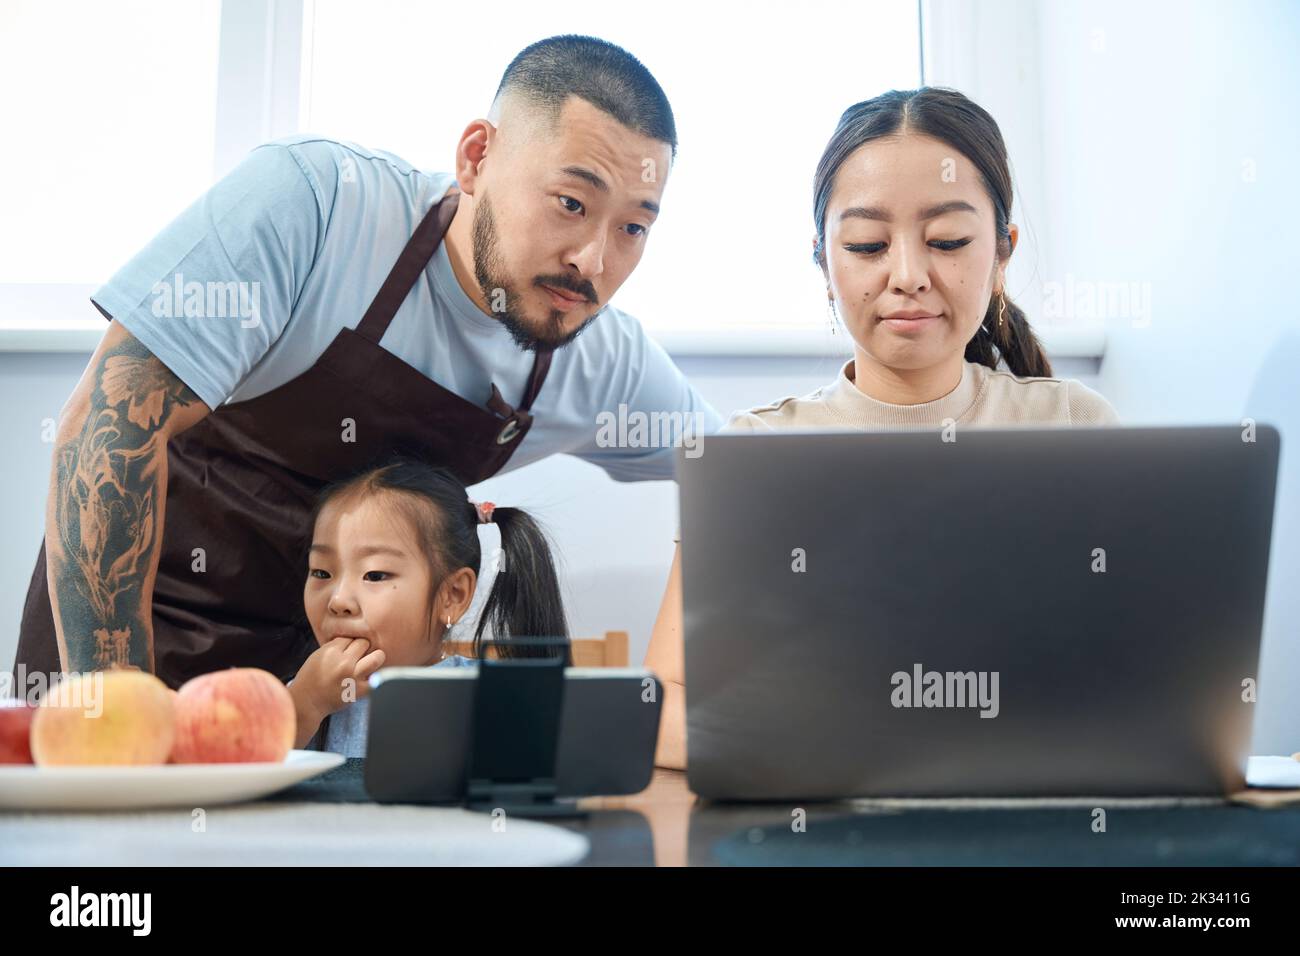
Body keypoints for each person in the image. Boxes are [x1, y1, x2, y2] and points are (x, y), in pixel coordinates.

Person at [16, 34, 720, 692]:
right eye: (571, 203)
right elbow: (110, 428)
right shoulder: (317, 207)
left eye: (633, 227)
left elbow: (749, 470)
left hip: (323, 700)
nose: (594, 260)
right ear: (477, 157)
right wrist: (114, 706)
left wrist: (677, 692)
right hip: (137, 643)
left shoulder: (602, 361)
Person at [644, 87, 1120, 769]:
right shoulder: (752, 454)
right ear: (823, 259)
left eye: (948, 241)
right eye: (867, 245)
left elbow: (1145, 674)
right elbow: (661, 701)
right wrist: (837, 748)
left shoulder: (1075, 427)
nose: (907, 276)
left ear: (1003, 249)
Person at [287, 455, 567, 756]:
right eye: (321, 572)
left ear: (453, 596)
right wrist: (306, 706)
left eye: (375, 574)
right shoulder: (302, 694)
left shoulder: (490, 694)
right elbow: (243, 770)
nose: (338, 600)